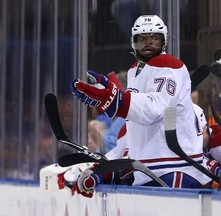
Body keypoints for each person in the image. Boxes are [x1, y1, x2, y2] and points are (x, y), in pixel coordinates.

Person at [70, 15, 211, 196]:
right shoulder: (135, 70)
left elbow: (154, 109)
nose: (148, 44)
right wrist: (102, 169)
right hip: (147, 172)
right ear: (133, 42)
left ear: (164, 41)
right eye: (142, 39)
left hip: (175, 170)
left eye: (155, 38)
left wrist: (116, 100)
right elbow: (135, 130)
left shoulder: (168, 66)